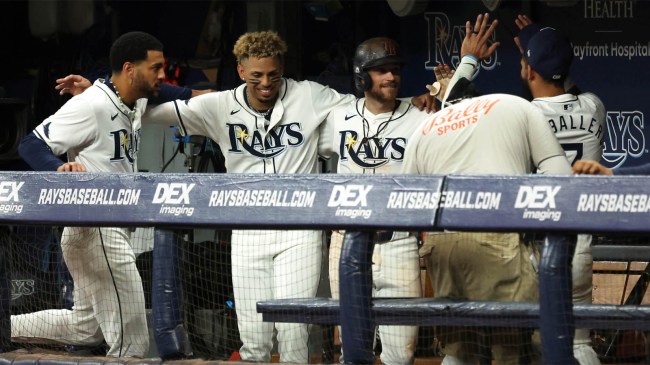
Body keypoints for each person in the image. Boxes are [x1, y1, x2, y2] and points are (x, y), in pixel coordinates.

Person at [141, 30, 432, 363]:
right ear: (240, 71)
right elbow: (152, 112)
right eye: (256, 77)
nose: (266, 83)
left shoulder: (309, 96)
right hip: (248, 234)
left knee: (295, 337)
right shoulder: (219, 106)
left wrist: (417, 102)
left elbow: (369, 109)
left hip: (299, 233)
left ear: (282, 68)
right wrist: (106, 94)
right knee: (253, 340)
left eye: (273, 75)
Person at [402, 16, 573, 365]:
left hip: (444, 247)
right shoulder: (515, 105)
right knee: (514, 348)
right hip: (500, 238)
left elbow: (408, 205)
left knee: (463, 351)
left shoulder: (427, 125)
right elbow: (560, 179)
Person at [14, 31, 166, 357]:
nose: (162, 75)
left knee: (84, 329)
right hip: (96, 227)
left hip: (95, 230)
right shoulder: (90, 105)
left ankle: (4, 326)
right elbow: (31, 144)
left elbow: (177, 92)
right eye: (155, 67)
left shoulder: (131, 99)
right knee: (133, 344)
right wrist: (58, 171)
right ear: (129, 69)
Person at [516, 23, 605, 365]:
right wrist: (540, 47)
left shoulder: (524, 115)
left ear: (530, 70)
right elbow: (566, 86)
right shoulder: (594, 105)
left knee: (540, 344)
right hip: (580, 241)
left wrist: (532, 50)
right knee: (578, 343)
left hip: (539, 245)